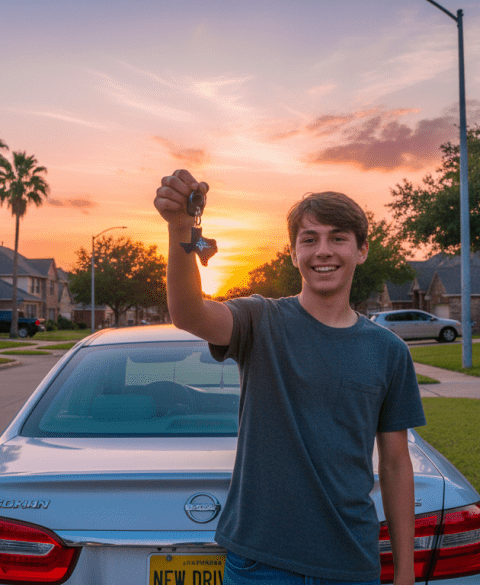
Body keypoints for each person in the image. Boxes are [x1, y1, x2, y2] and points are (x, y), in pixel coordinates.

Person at [154, 169, 425, 585]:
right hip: (260, 562)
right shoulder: (260, 321)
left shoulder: (388, 351)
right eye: (309, 239)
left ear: (362, 249)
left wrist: (405, 574)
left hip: (350, 563)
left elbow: (395, 464)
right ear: (292, 252)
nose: (323, 251)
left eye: (338, 238)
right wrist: (181, 229)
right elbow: (189, 312)